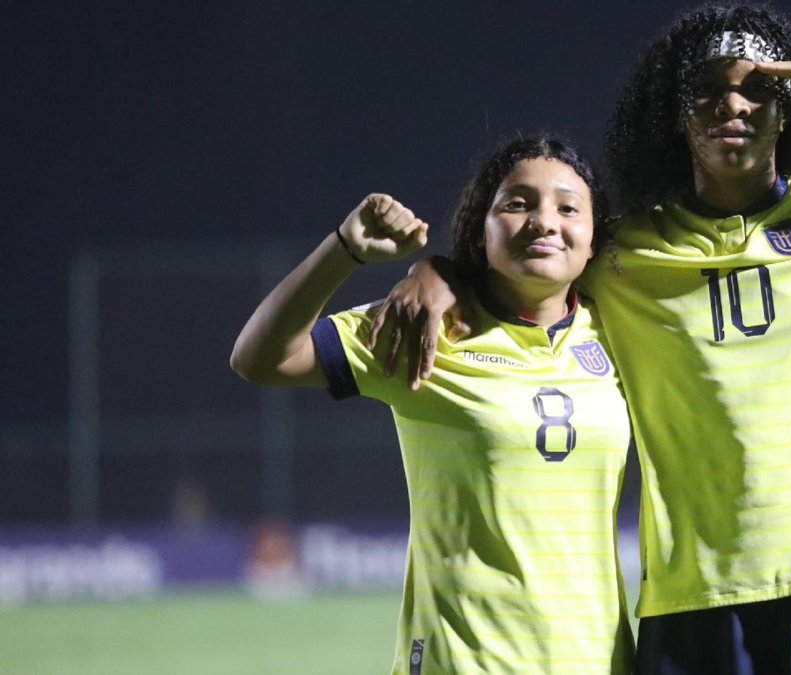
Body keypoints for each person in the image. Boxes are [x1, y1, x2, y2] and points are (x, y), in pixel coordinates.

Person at [373, 3, 791, 673]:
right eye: (706, 91)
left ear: (787, 111)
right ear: (677, 114)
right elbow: (526, 267)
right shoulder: (623, 252)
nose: (732, 106)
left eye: (758, 90)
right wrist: (440, 272)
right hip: (695, 603)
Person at [230, 135, 638, 674]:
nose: (544, 221)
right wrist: (345, 250)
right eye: (518, 204)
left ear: (593, 239)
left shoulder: (622, 332)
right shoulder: (426, 328)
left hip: (598, 661)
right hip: (461, 662)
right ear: (480, 229)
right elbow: (260, 358)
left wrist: (436, 270)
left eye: (568, 208)